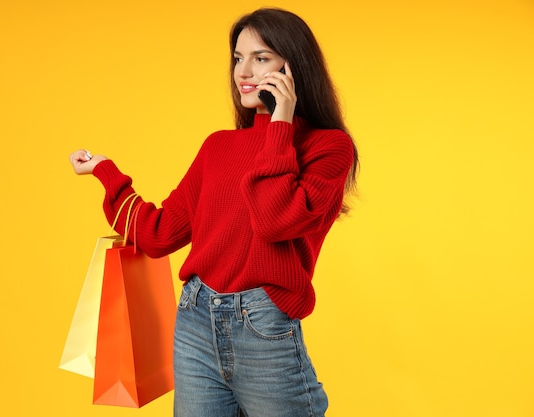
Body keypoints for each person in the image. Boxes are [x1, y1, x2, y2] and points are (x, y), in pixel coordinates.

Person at [69, 7, 358, 417]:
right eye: (238, 58)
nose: (244, 71)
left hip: (263, 326)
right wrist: (105, 171)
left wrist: (280, 123)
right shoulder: (218, 147)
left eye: (261, 58)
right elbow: (159, 234)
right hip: (194, 323)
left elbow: (276, 220)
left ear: (292, 67)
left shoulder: (328, 148)